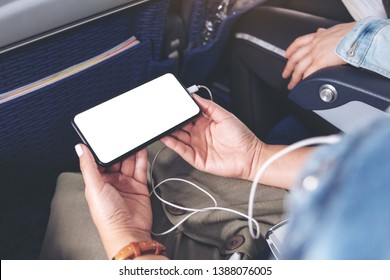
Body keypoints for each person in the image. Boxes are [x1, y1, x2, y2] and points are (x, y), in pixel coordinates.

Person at [40, 13, 390, 260]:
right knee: (159, 158)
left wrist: (128, 240)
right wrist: (257, 158)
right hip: (306, 220)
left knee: (81, 205)